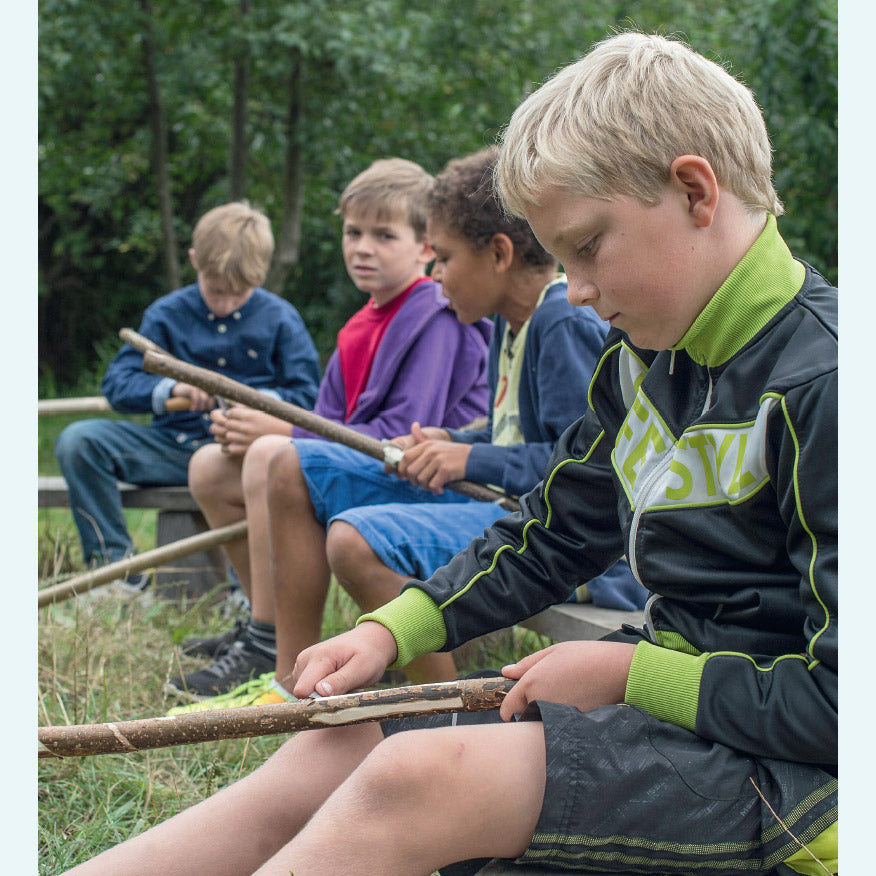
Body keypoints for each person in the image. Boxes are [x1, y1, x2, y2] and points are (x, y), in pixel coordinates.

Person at [66, 32, 837, 876]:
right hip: (682, 718)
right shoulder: (642, 365)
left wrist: (630, 674)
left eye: (584, 247)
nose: (573, 290)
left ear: (695, 190)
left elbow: (843, 705)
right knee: (349, 738)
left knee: (416, 776)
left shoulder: (827, 383)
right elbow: (552, 534)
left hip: (800, 785)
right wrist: (392, 629)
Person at [169, 146, 644, 714]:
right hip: (506, 506)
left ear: (497, 255)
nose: (436, 275)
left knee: (351, 535)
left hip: (558, 540)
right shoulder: (511, 325)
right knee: (295, 471)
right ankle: (285, 668)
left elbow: (580, 467)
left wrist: (470, 461)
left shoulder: (559, 320)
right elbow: (512, 433)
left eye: (442, 258)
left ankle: (442, 708)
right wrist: (457, 442)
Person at [166, 157, 492, 699]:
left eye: (383, 235)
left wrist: (284, 429)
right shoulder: (359, 324)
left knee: (275, 454)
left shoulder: (437, 316)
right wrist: (282, 432)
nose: (362, 247)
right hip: (368, 468)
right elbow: (333, 424)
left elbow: (397, 435)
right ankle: (260, 625)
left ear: (425, 246)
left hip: (432, 485)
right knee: (210, 467)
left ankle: (278, 650)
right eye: (353, 232)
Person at [54, 201, 321, 595]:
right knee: (79, 441)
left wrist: (256, 402)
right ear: (195, 260)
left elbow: (309, 398)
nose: (226, 302)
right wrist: (172, 389)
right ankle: (116, 577)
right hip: (170, 448)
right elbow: (118, 383)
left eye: (239, 293)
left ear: (259, 274)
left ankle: (246, 595)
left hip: (239, 458)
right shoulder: (167, 314)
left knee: (268, 465)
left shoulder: (281, 318)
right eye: (216, 289)